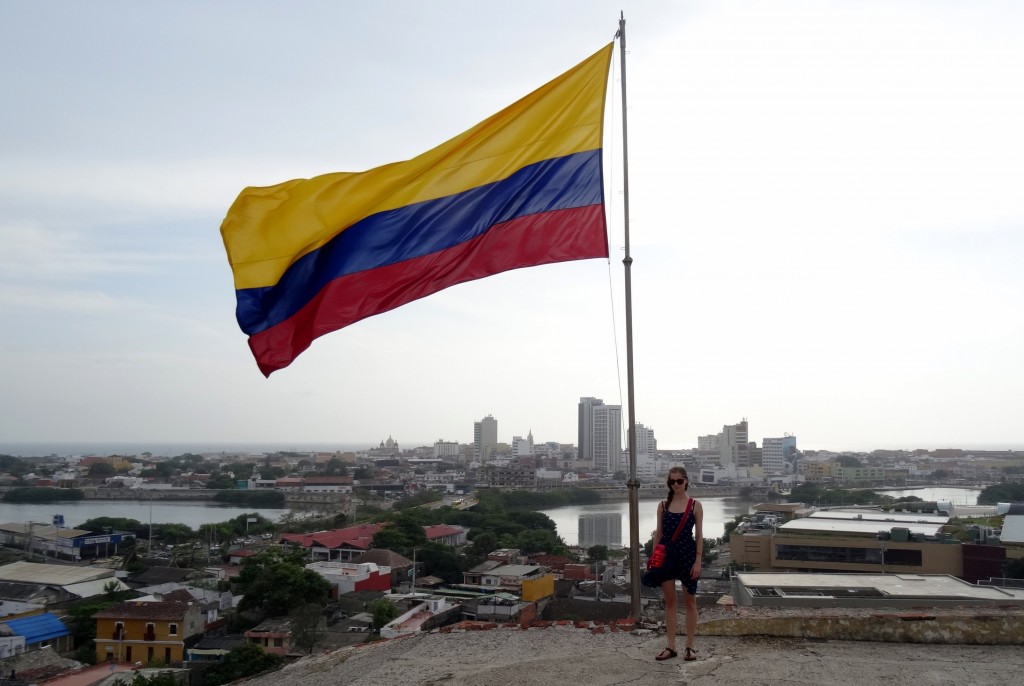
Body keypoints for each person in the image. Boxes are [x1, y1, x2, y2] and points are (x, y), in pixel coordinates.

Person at [651, 466, 703, 661]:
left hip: (687, 555)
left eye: (679, 481)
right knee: (670, 602)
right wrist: (654, 558)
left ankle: (690, 646)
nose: (676, 485)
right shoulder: (662, 506)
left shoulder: (695, 505)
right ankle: (671, 646)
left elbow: (699, 536)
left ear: (686, 481)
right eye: (672, 482)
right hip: (666, 556)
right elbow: (659, 534)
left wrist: (698, 561)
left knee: (690, 602)